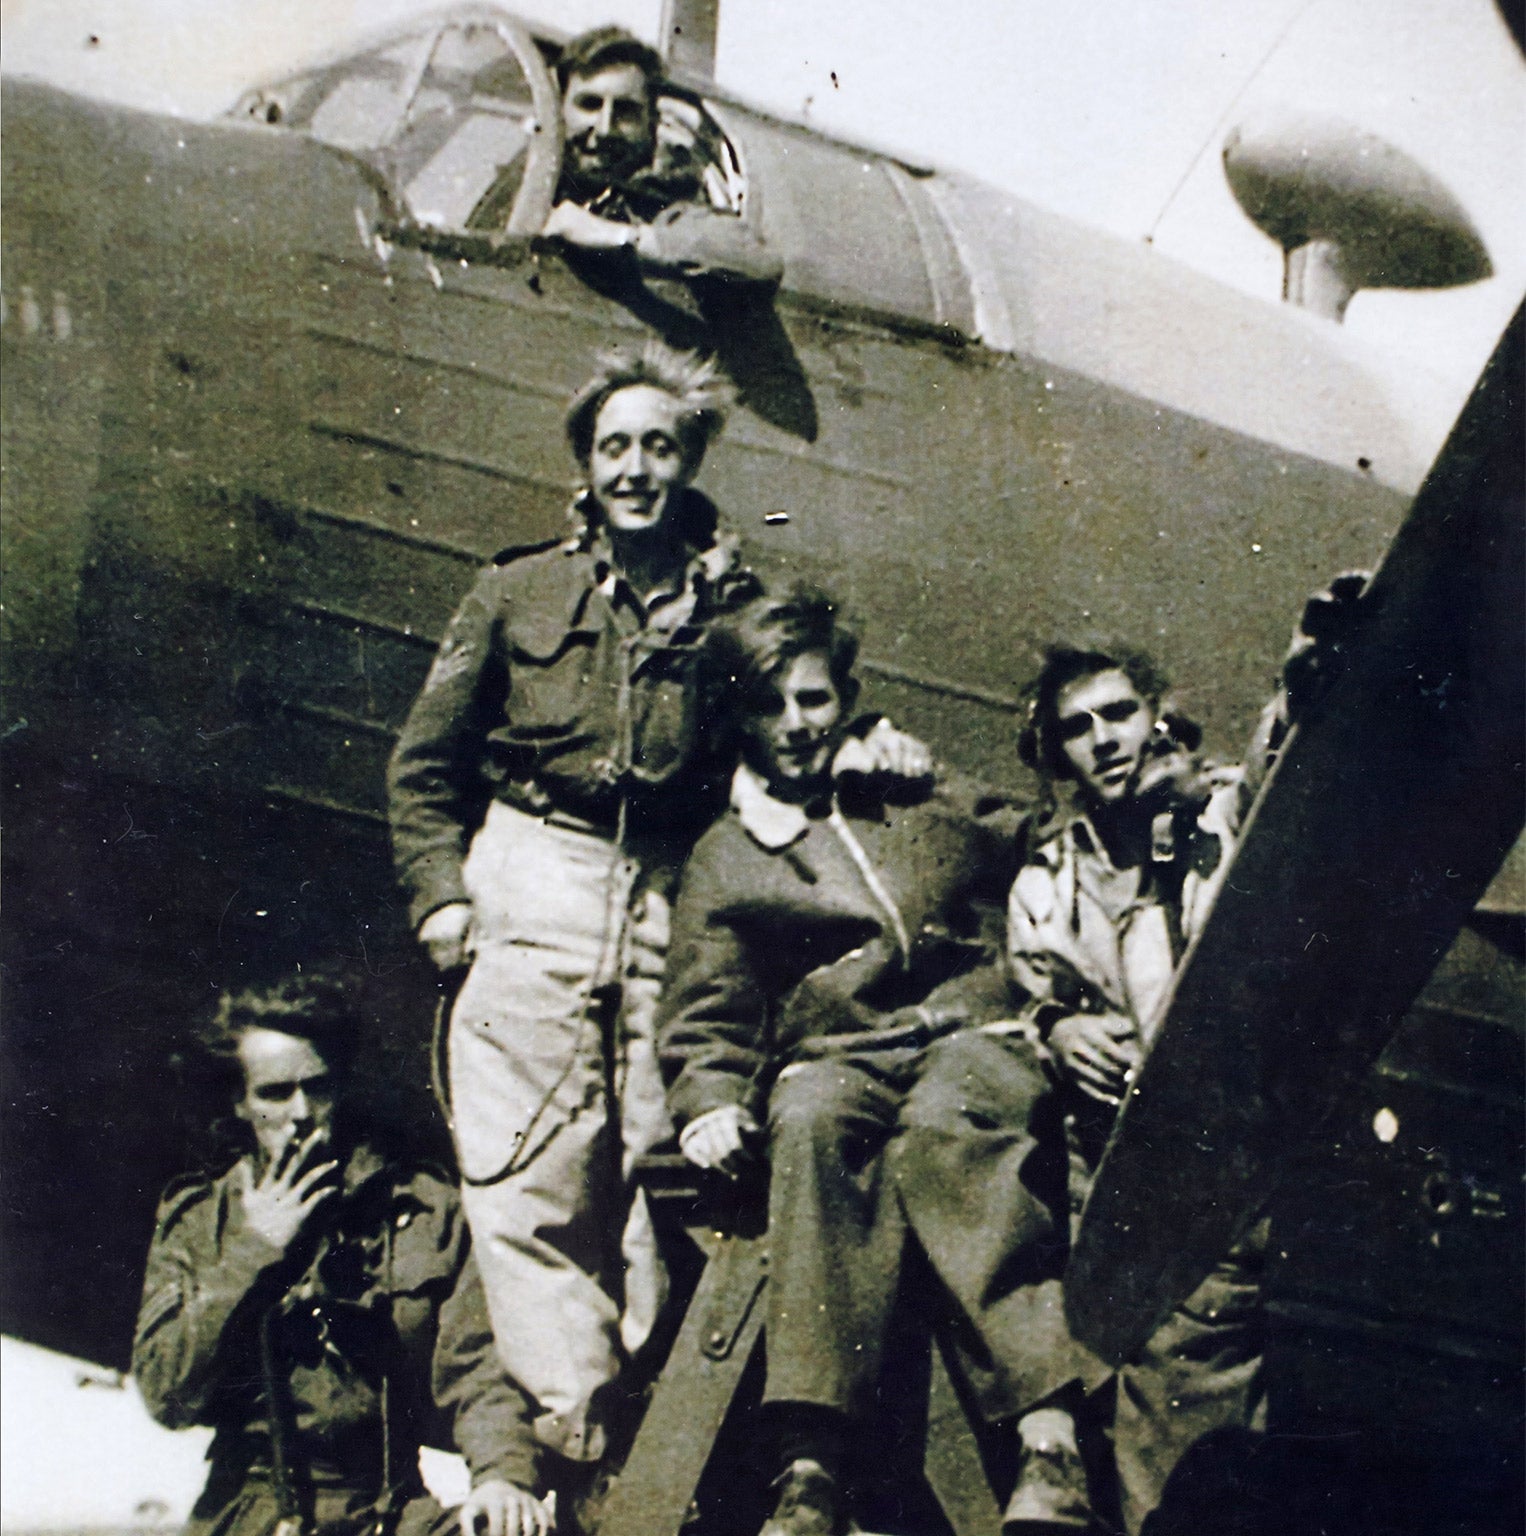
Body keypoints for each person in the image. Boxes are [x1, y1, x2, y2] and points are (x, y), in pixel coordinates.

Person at [387, 345, 927, 1483]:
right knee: (531, 1149)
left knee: (646, 1140)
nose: (634, 468)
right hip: (538, 861)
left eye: (658, 448)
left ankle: (620, 1380)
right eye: (613, 446)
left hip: (670, 882)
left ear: (688, 464)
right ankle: (573, 1408)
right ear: (585, 461)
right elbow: (424, 763)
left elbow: (791, 718)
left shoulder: (738, 602)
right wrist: (440, 892)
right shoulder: (515, 589)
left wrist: (868, 747)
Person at [896, 577, 1365, 1536]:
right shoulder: (1046, 886)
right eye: (1079, 726)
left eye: (1120, 713)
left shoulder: (1219, 826)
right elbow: (1036, 998)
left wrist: (1304, 671)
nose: (1104, 737)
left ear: (1157, 719)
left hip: (1218, 1188)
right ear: (1054, 750)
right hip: (1107, 1189)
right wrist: (1057, 1029)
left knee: (1183, 1471)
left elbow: (1284, 772)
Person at [659, 587, 1019, 1536]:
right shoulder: (730, 855)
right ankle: (810, 1456)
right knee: (808, 1114)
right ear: (737, 714)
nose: (794, 727)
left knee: (960, 1120)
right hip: (843, 1054)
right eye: (768, 706)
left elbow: (1023, 839)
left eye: (814, 701)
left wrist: (930, 777)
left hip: (961, 1032)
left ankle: (1042, 1432)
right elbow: (708, 1003)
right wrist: (707, 1097)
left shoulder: (900, 788)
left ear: (846, 697)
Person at [132, 971, 551, 1536]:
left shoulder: (426, 1210)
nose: (301, 1113)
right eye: (275, 1093)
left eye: (318, 1087)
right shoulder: (204, 1221)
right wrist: (255, 1250)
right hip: (253, 1515)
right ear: (239, 1102)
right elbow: (168, 1395)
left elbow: (477, 1368)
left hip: (389, 1509)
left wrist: (502, 1476)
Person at [537, 26, 781, 285]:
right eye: (590, 104)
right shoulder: (529, 182)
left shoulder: (663, 201)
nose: (605, 129)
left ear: (652, 123)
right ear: (559, 109)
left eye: (626, 111)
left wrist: (616, 235)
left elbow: (756, 259)